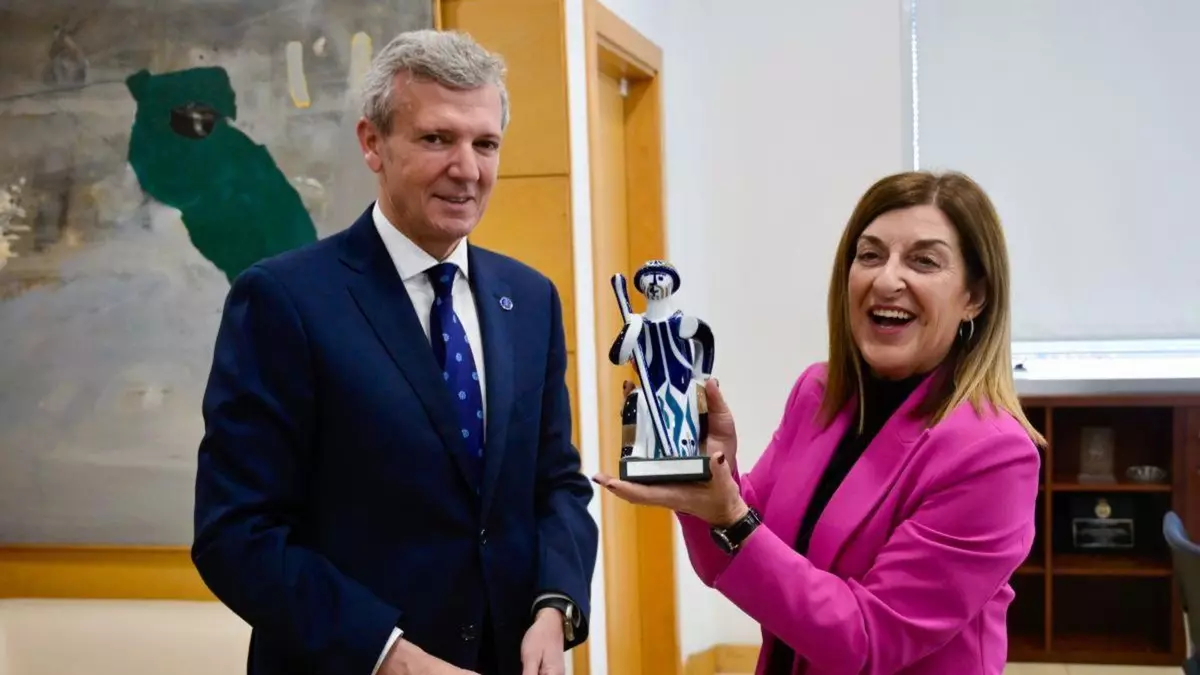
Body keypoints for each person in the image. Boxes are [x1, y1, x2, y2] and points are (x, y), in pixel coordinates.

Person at [192, 29, 598, 675]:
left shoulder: (529, 299)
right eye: (437, 139)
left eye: (485, 143)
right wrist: (389, 656)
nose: (467, 169)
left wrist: (556, 607)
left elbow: (556, 484)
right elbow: (237, 532)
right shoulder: (283, 300)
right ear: (372, 143)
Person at [595, 170, 1045, 674]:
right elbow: (740, 549)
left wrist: (731, 517)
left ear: (975, 297)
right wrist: (706, 477)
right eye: (870, 255)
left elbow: (868, 640)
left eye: (924, 261)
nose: (886, 279)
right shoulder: (818, 393)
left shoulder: (992, 455)